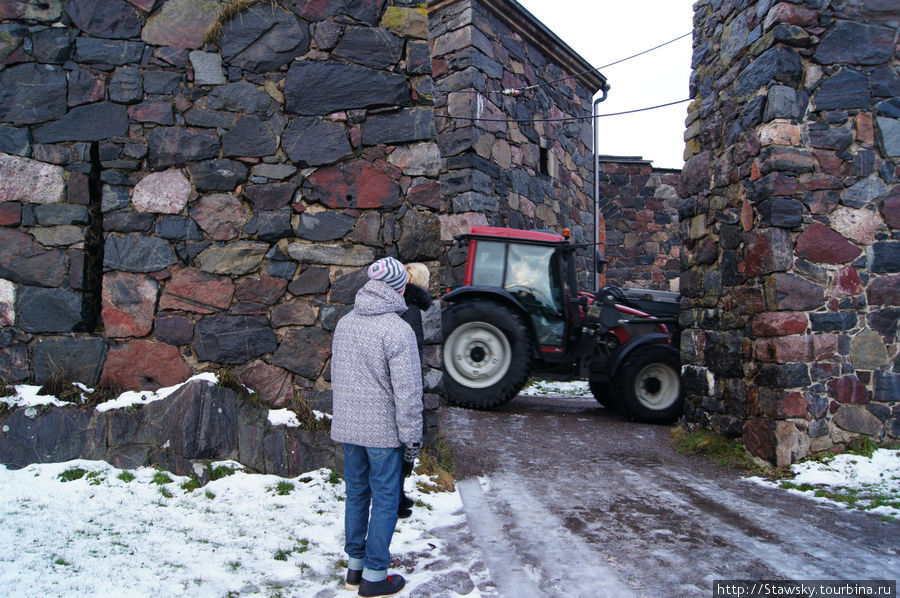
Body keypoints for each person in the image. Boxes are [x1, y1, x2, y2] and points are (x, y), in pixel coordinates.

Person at [330, 256, 423, 598]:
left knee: (356, 494)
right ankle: (374, 576)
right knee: (385, 499)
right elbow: (409, 394)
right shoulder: (398, 329)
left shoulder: (345, 323)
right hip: (384, 434)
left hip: (349, 429)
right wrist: (412, 441)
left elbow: (336, 377)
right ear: (399, 289)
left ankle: (355, 569)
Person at [397, 262, 434, 518]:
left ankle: (397, 494)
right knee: (405, 444)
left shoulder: (404, 306)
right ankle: (396, 497)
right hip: (406, 384)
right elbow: (410, 355)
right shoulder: (411, 311)